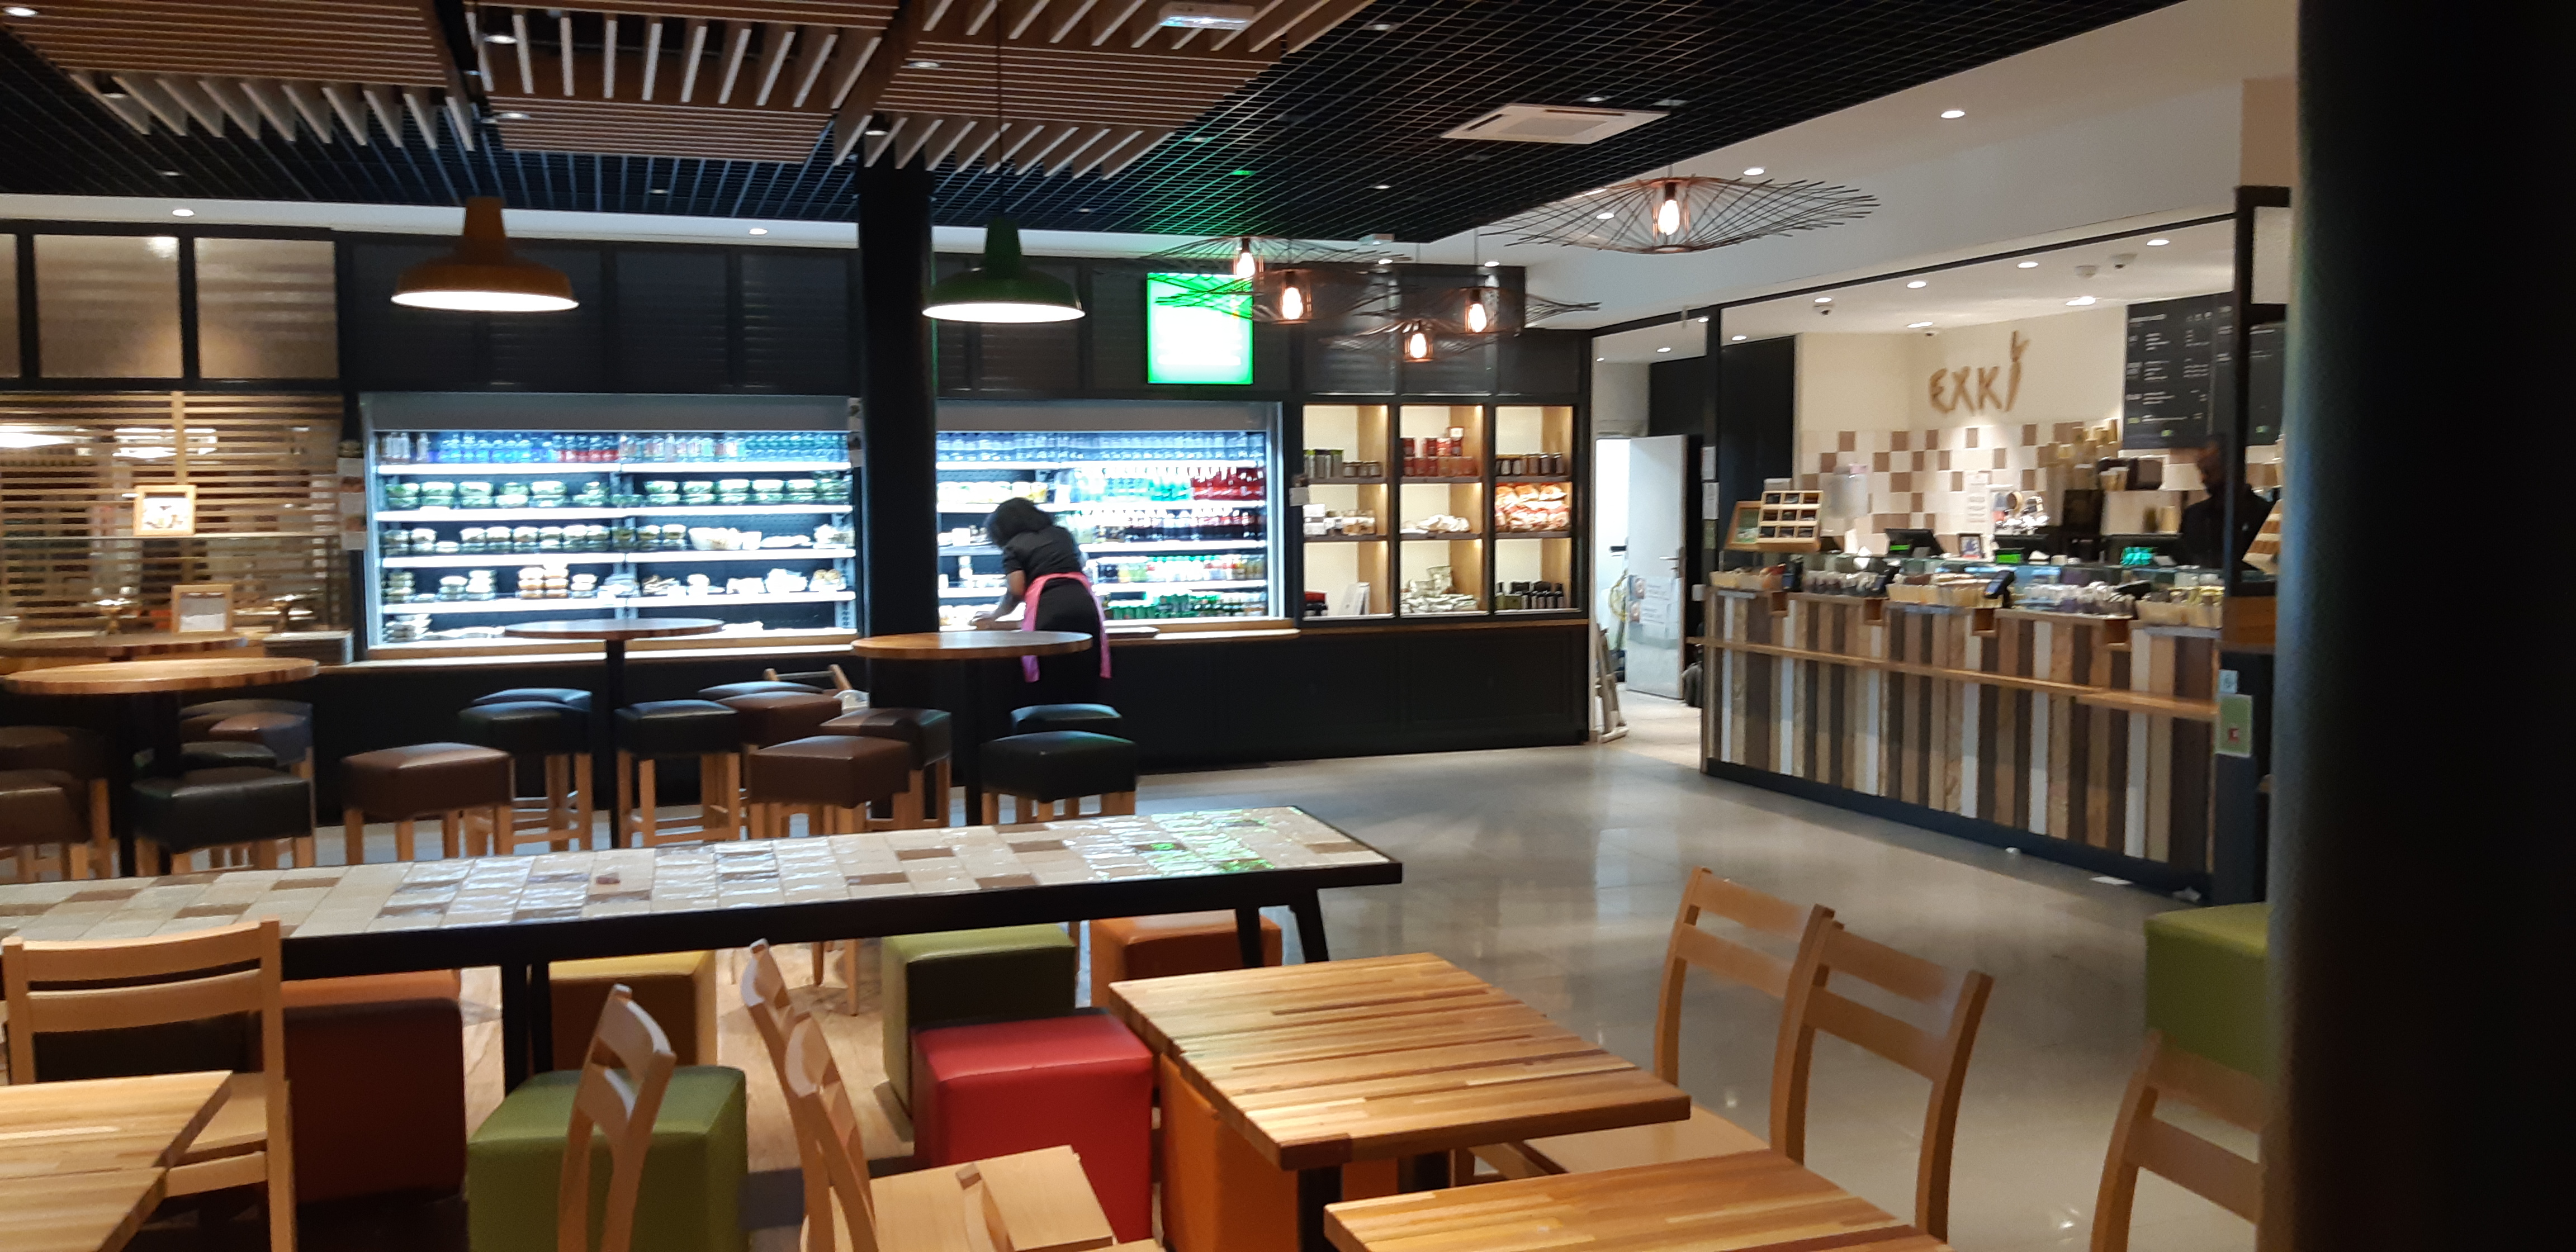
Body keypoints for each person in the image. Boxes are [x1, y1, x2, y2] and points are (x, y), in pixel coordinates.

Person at [972, 497, 1106, 704]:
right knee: (1083, 675)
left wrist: (996, 615)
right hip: (1085, 604)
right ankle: (1085, 720)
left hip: (1049, 610)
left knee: (1050, 678)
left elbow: (1016, 590)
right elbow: (1080, 563)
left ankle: (1048, 721)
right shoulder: (1062, 534)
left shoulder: (1014, 546)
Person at [2177, 435, 2271, 571]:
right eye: (2201, 471)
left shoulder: (2264, 514)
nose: (2202, 479)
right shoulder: (2193, 515)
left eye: (2208, 471)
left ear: (2231, 469)